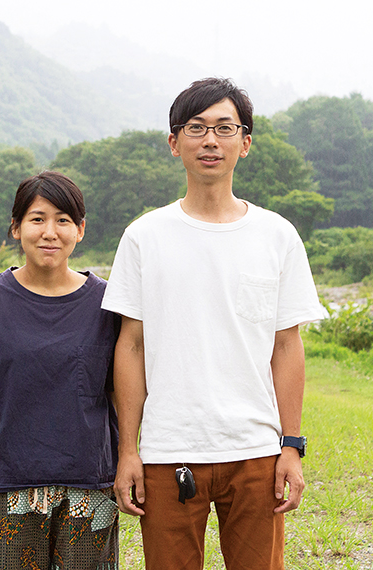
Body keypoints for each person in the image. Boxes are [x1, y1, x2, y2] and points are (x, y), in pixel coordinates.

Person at [101, 77, 327, 570]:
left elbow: (286, 347)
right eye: (196, 128)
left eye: (225, 128)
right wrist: (128, 451)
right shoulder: (144, 236)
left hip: (256, 452)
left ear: (245, 144)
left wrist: (291, 446)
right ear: (173, 141)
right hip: (168, 453)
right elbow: (131, 346)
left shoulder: (276, 235)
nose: (210, 140)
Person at [0, 171, 120, 570]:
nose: (50, 232)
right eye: (37, 219)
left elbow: (119, 393)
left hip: (88, 489)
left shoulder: (108, 303)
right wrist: (9, 441)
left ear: (81, 229)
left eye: (63, 220)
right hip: (5, 488)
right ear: (17, 227)